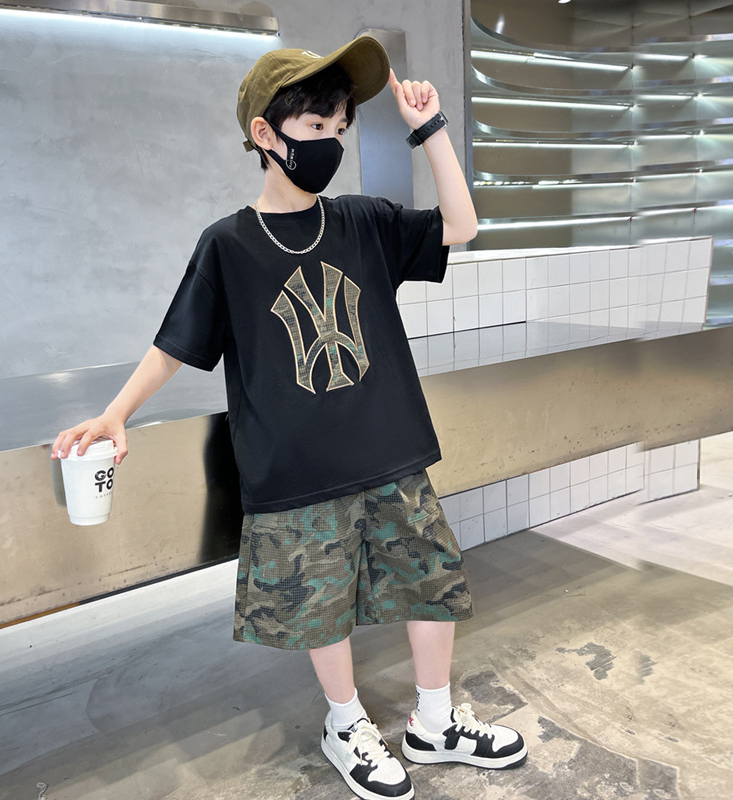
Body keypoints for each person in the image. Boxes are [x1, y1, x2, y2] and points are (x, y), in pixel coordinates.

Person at [52, 36, 526, 800]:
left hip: (390, 451)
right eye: (315, 127)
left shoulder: (364, 222)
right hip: (298, 472)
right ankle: (346, 723)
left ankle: (435, 721)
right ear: (265, 135)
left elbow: (461, 225)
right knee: (319, 605)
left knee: (432, 579)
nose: (331, 142)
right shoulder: (229, 245)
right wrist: (115, 413)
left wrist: (431, 130)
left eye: (339, 128)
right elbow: (175, 345)